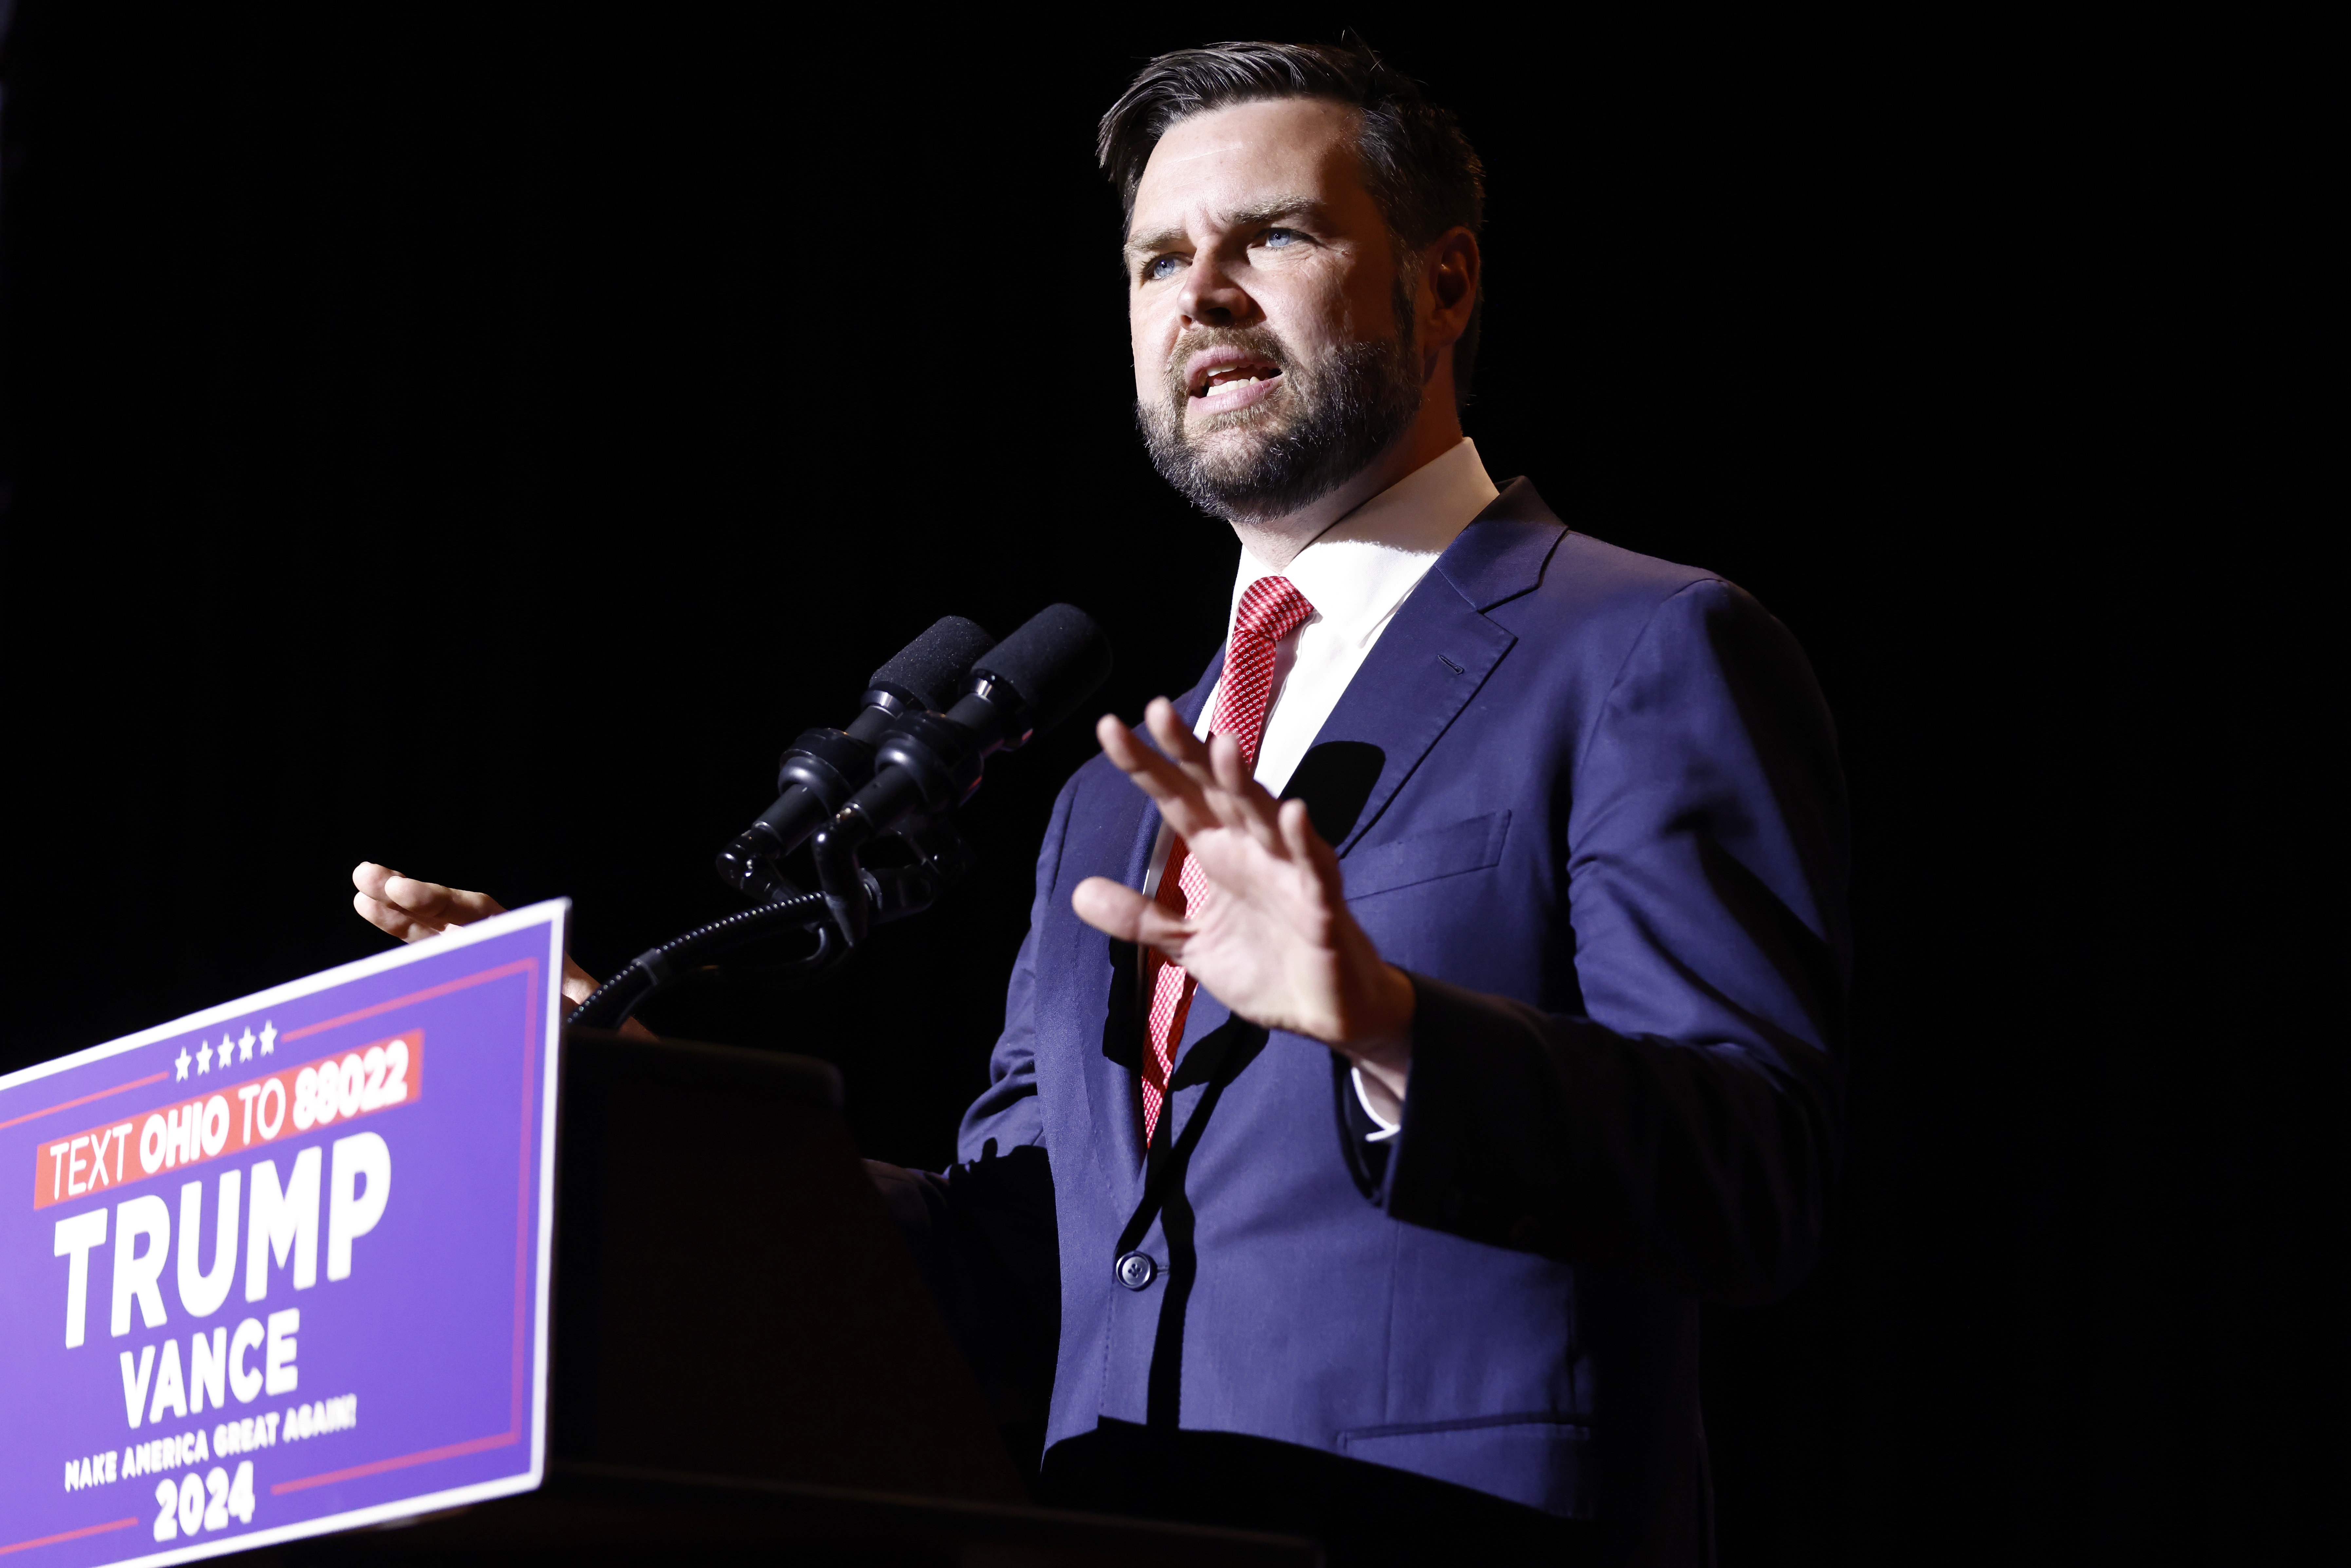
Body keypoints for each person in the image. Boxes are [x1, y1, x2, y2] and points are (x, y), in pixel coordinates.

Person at [355, 40, 1848, 1565]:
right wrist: (640, 1098)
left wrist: (1390, 1020)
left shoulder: (1636, 647)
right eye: (1156, 260)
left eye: (1273, 235)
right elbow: (1015, 1270)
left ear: (1444, 282)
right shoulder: (1105, 794)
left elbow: (1757, 1170)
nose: (1199, 293)